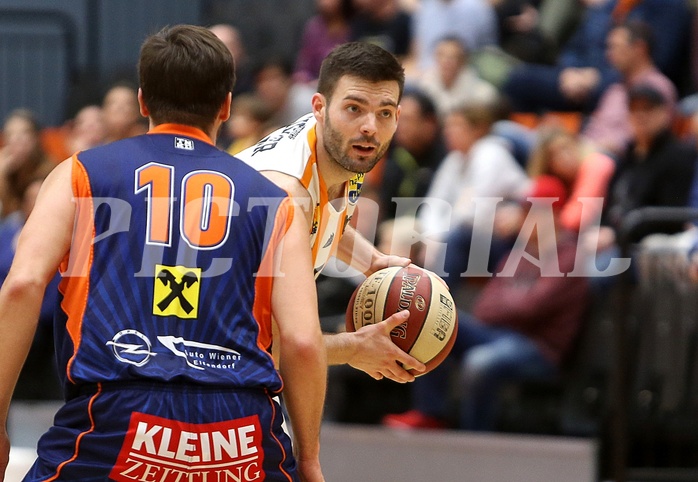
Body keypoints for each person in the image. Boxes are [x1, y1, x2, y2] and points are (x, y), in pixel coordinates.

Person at [0, 24, 327, 482]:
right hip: (239, 437)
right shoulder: (275, 202)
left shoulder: (79, 174)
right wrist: (309, 461)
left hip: (117, 420)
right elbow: (303, 342)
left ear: (141, 101)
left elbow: (22, 286)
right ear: (226, 106)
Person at [236, 41, 426, 383]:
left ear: (397, 117)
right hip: (181, 363)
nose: (370, 126)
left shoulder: (340, 148)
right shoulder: (286, 191)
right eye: (354, 108)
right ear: (319, 107)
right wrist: (353, 348)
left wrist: (372, 262)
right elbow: (263, 342)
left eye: (384, 112)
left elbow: (323, 218)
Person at [382, 176, 591, 431]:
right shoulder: (522, 250)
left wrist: (508, 303)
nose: (525, 219)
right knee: (433, 318)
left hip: (539, 348)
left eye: (533, 211)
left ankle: (476, 441)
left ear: (554, 213)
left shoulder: (569, 256)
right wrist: (511, 303)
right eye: (524, 211)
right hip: (500, 334)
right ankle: (430, 413)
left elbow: (531, 308)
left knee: (480, 363)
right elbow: (486, 305)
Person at [581, 19, 678, 159]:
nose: (609, 54)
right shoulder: (615, 90)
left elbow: (648, 139)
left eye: (616, 47)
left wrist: (605, 147)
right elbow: (593, 129)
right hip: (590, 153)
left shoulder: (658, 87)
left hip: (623, 161)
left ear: (639, 48)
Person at [0, 109, 56, 221]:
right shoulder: (5, 168)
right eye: (10, 134)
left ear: (36, 138)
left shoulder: (52, 171)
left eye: (24, 133)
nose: (17, 139)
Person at [293, 0, 356, 85]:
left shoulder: (355, 26)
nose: (325, 2)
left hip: (347, 82)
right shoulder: (314, 27)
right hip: (315, 83)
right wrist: (306, 79)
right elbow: (304, 66)